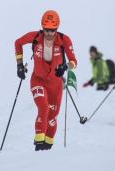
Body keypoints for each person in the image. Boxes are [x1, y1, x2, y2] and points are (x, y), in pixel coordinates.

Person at [14, 10, 78, 151]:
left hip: (55, 85)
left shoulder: (64, 40)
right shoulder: (36, 37)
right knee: (43, 108)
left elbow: (74, 61)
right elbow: (18, 43)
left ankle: (48, 147)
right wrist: (19, 65)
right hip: (38, 80)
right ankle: (38, 144)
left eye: (53, 30)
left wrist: (65, 66)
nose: (49, 33)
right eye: (47, 30)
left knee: (52, 116)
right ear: (42, 27)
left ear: (57, 28)